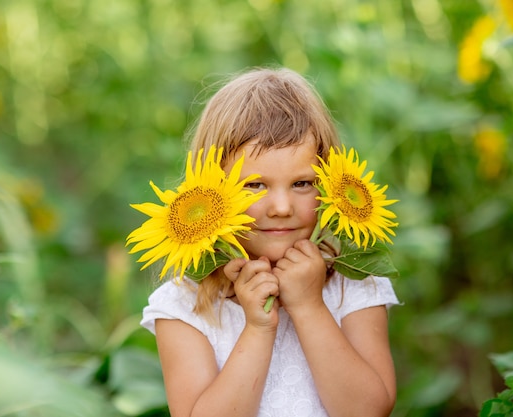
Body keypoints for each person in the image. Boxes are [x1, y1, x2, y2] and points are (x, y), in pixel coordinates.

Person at [141, 67, 399, 417]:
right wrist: (259, 328)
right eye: (255, 185)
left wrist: (310, 307)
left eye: (302, 183)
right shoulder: (185, 306)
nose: (281, 208)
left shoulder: (353, 286)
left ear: (331, 183)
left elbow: (369, 410)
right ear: (211, 186)